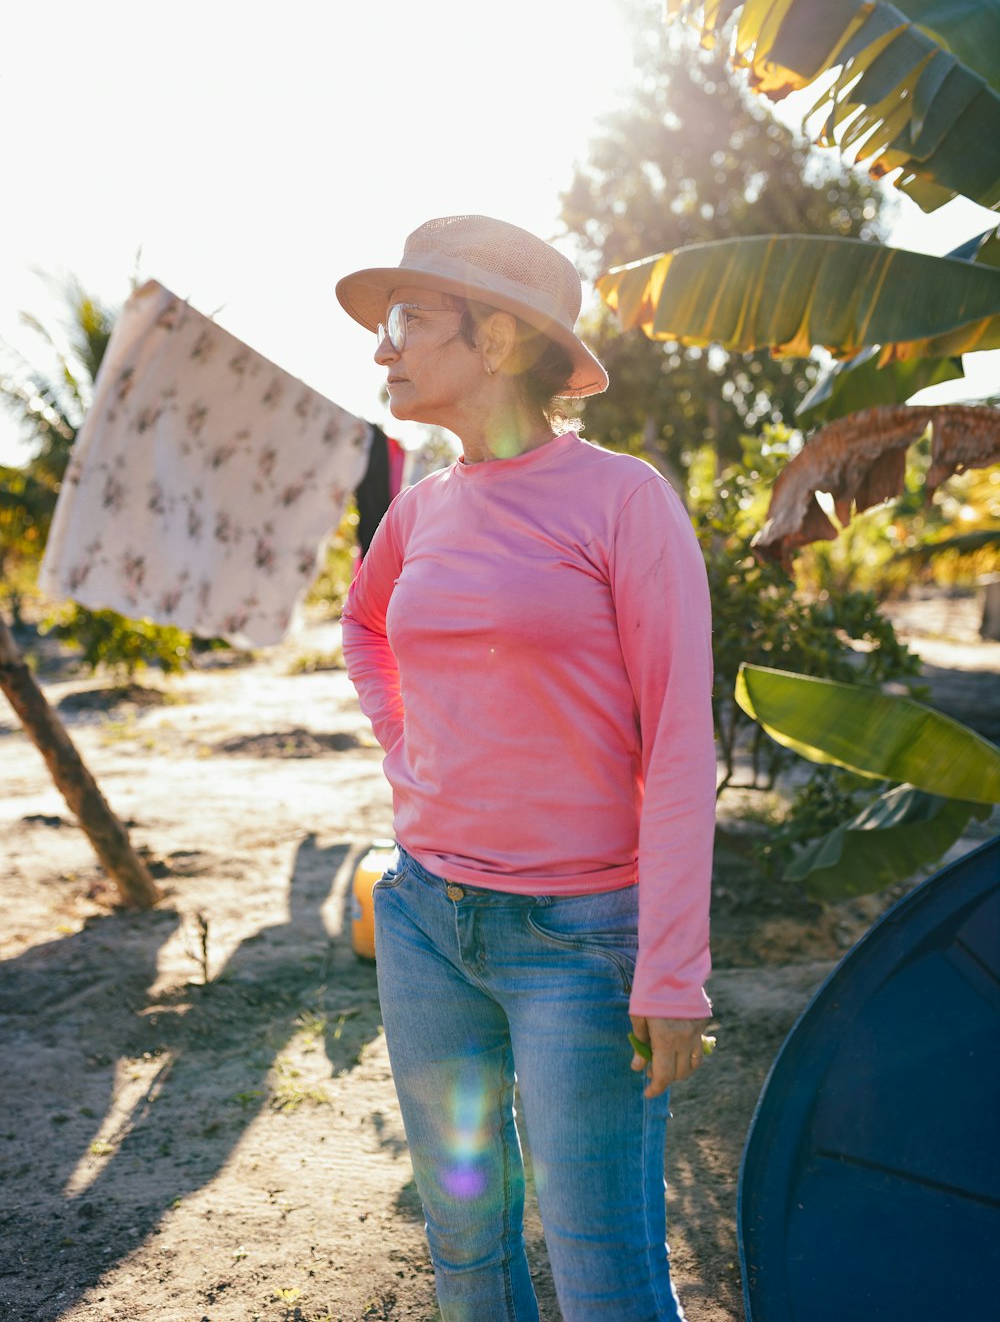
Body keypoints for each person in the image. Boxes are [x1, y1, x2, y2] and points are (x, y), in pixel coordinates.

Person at [337, 215, 716, 1321]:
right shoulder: (420, 511)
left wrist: (672, 971)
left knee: (606, 1276)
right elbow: (366, 631)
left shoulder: (621, 500)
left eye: (408, 318)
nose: (382, 347)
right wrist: (406, 747)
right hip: (423, 925)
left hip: (581, 947)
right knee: (463, 1250)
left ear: (495, 336)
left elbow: (681, 743)